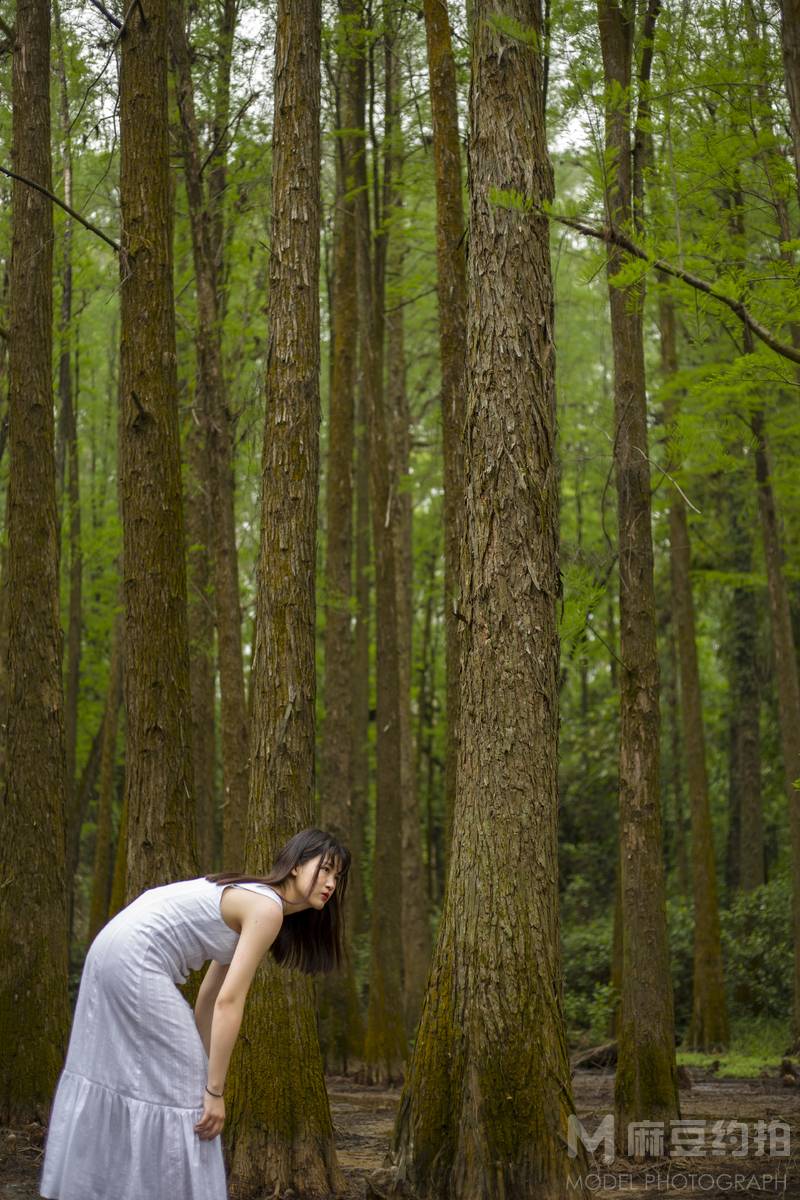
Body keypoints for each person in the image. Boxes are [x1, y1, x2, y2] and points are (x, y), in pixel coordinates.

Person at [38, 827, 350, 1200]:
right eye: (325, 869)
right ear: (297, 865)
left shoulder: (254, 898)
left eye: (337, 875)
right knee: (194, 1102)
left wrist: (202, 1068)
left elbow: (209, 995)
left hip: (110, 949)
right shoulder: (266, 908)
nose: (331, 883)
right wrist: (214, 1091)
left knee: (171, 1082)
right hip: (135, 957)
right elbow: (228, 1003)